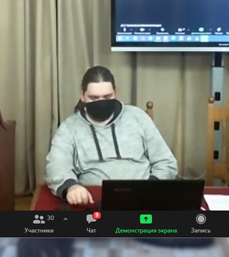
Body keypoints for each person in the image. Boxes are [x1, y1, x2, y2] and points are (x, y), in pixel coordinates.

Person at [45, 66, 178, 205]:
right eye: (94, 98)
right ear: (82, 96)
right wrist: (71, 187)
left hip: (143, 198)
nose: (101, 102)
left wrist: (151, 187)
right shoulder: (69, 128)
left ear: (116, 93)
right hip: (96, 200)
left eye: (107, 97)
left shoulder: (138, 117)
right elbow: (56, 166)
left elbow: (166, 162)